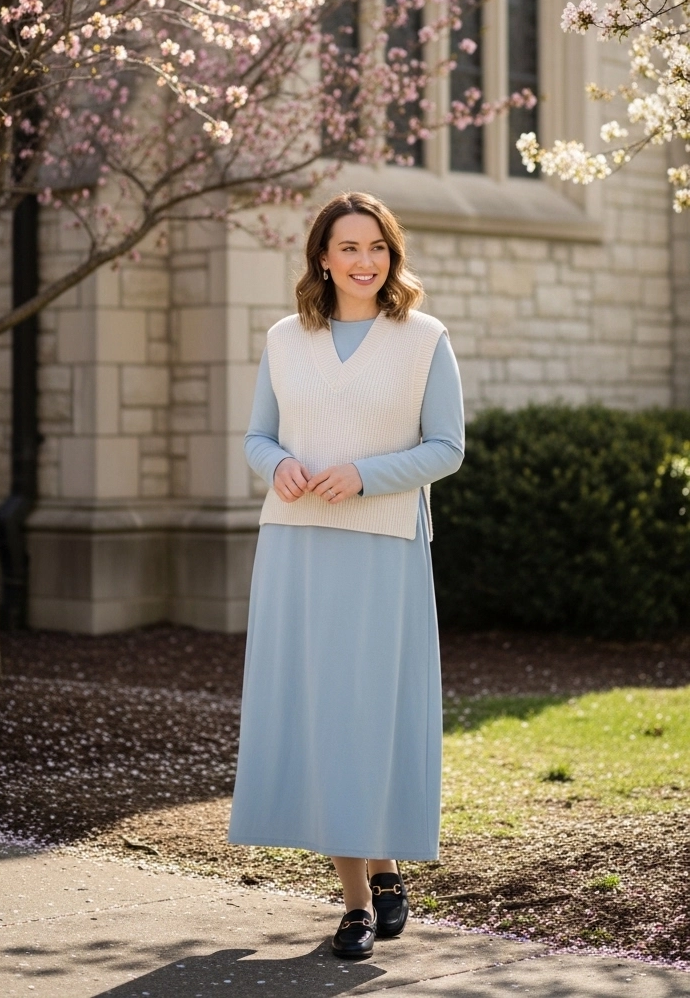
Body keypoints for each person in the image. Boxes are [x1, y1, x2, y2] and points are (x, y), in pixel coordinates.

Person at [228, 191, 464, 959]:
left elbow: (446, 449)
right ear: (322, 258)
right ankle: (359, 899)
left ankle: (388, 859)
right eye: (349, 247)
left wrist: (364, 475)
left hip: (384, 543)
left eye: (378, 248)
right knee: (324, 718)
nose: (365, 262)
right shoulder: (284, 339)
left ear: (392, 257)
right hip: (296, 545)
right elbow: (258, 437)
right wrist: (282, 464)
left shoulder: (424, 339)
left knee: (370, 714)